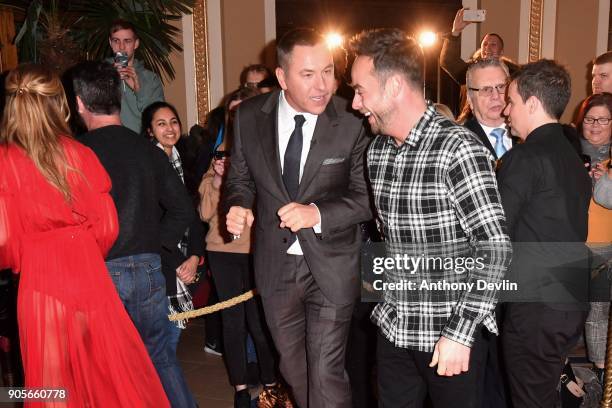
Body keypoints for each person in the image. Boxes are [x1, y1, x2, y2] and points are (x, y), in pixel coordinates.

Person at [349, 28, 509, 407]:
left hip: (449, 335)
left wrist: (460, 332)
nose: (355, 103)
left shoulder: (458, 148)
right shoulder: (378, 153)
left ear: (393, 88)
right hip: (395, 328)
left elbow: (496, 249)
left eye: (360, 90)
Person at [0, 64, 168, 406]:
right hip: (87, 273)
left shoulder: (6, 161)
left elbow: (4, 240)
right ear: (59, 103)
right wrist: (82, 250)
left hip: (39, 279)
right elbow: (107, 227)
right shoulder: (80, 153)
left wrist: (26, 258)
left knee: (49, 383)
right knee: (100, 372)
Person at [224, 28, 371, 407]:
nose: (323, 85)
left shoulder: (352, 123)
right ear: (282, 77)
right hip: (275, 267)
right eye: (308, 75)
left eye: (328, 71)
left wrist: (317, 213)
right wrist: (237, 205)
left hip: (332, 264)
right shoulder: (249, 117)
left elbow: (366, 197)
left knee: (324, 369)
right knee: (294, 370)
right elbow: (239, 177)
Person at [73, 61, 196, 408]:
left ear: (79, 103)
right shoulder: (146, 149)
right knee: (160, 356)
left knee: (111, 365)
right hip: (147, 266)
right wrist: (153, 243)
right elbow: (183, 208)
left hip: (100, 270)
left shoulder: (78, 154)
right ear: (117, 96)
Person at [498, 59, 592, 407]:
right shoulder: (573, 158)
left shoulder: (525, 157)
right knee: (542, 395)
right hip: (569, 301)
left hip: (536, 306)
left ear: (533, 103)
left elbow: (495, 233)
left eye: (512, 101)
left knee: (529, 400)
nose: (507, 110)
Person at [199, 87, 283, 408]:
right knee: (232, 323)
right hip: (221, 250)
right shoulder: (219, 151)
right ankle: (240, 389)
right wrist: (219, 181)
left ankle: (273, 385)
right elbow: (204, 212)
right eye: (232, 112)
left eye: (242, 111)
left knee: (260, 323)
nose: (238, 119)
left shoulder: (266, 149)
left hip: (257, 250)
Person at [141, 101, 205, 352]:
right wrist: (179, 261)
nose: (169, 129)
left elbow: (194, 215)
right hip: (160, 262)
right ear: (149, 131)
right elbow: (150, 224)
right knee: (161, 345)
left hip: (186, 259)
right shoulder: (147, 164)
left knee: (170, 342)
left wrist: (195, 255)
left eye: (174, 122)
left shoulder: (186, 161)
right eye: (161, 123)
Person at [574, 92, 612, 385]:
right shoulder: (569, 151)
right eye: (589, 118)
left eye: (603, 119)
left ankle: (602, 374)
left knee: (600, 310)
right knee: (590, 312)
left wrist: (606, 179)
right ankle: (597, 375)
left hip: (608, 244)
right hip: (576, 244)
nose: (595, 125)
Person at [109, 19, 165, 133]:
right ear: (110, 42)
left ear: (136, 44)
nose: (121, 47)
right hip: (108, 142)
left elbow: (159, 119)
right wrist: (108, 80)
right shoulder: (98, 73)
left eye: (127, 41)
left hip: (141, 143)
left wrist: (138, 90)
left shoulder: (151, 79)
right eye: (116, 41)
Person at [439, 8, 519, 87]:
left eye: (493, 44)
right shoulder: (472, 71)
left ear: (501, 52)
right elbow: (449, 62)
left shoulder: (512, 73)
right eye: (485, 44)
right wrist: (456, 31)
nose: (488, 48)